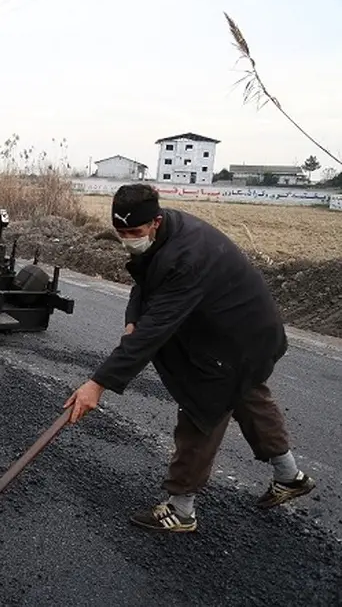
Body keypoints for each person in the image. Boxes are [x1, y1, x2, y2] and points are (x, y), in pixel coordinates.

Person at [64, 183, 315, 532]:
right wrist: (132, 319)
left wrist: (98, 384)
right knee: (245, 393)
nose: (127, 239)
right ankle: (290, 476)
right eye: (120, 232)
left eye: (134, 232)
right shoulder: (164, 233)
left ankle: (181, 509)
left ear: (155, 221)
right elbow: (144, 282)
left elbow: (156, 330)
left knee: (203, 407)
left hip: (240, 335)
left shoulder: (186, 257)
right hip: (234, 328)